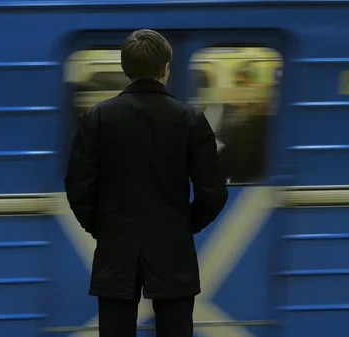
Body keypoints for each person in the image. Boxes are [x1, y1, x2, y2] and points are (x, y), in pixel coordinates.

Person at [64, 29, 229, 337]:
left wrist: (102, 226)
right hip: (172, 249)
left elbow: (78, 187)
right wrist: (185, 224)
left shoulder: (98, 118)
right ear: (166, 68)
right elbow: (214, 192)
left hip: (116, 248)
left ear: (126, 69)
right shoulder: (190, 119)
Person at [215, 65, 269, 183]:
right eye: (239, 84)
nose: (243, 89)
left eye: (247, 84)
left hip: (257, 174)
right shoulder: (227, 109)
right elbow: (220, 139)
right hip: (235, 174)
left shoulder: (261, 113)